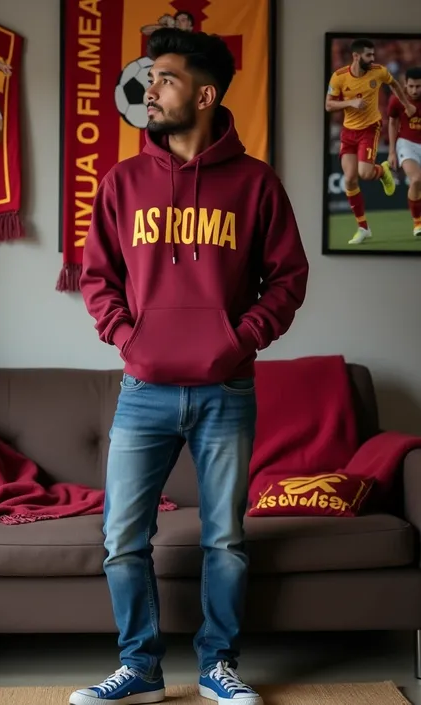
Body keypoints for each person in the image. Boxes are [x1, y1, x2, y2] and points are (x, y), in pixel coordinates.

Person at [71, 27, 308, 705]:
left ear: (205, 94)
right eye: (150, 77)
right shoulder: (123, 182)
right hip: (143, 388)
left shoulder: (256, 183)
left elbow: (288, 277)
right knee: (121, 537)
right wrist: (127, 336)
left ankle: (217, 666)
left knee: (226, 538)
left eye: (166, 78)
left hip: (225, 388)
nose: (151, 90)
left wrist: (240, 339)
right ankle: (140, 666)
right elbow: (98, 277)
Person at [325, 38, 416, 245]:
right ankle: (363, 228)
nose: (373, 58)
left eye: (373, 54)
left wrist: (406, 105)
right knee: (349, 178)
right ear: (356, 56)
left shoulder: (379, 71)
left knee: (364, 173)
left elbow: (394, 84)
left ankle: (381, 172)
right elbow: (329, 105)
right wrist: (350, 102)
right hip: (348, 132)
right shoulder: (339, 77)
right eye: (368, 55)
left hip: (369, 129)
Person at [387, 66, 421, 237]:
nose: (415, 90)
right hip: (407, 144)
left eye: (419, 86)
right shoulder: (396, 100)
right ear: (405, 85)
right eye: (411, 86)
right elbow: (392, 124)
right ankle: (417, 223)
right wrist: (392, 151)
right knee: (415, 180)